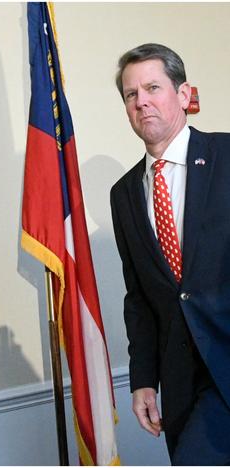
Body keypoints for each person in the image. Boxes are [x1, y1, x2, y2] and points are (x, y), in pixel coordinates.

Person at [110, 43, 230, 464]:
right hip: (180, 380)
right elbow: (138, 297)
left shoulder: (226, 156)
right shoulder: (123, 194)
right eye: (130, 94)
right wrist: (142, 379)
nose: (141, 100)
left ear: (183, 95)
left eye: (152, 87)